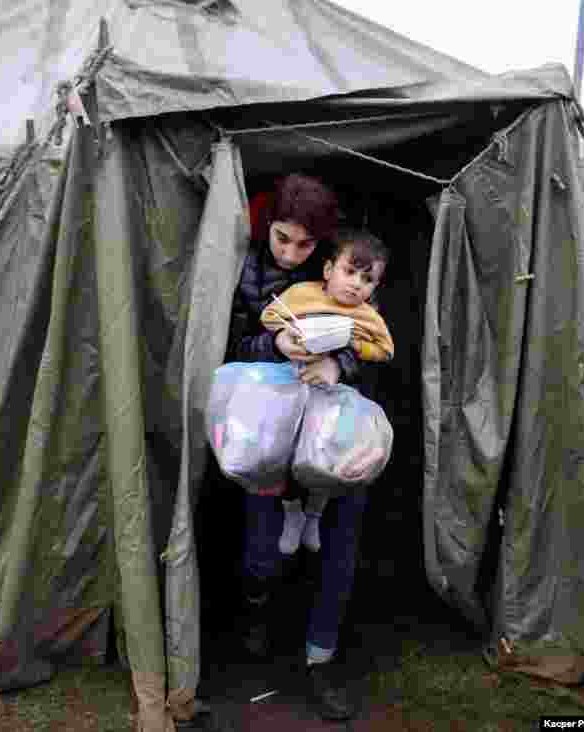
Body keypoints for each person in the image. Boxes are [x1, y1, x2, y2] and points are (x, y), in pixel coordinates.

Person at [223, 173, 383, 721]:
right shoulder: (240, 270)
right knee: (262, 548)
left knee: (338, 548)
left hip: (336, 435)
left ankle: (321, 660)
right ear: (268, 228)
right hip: (267, 433)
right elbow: (223, 344)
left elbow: (381, 342)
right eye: (282, 239)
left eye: (306, 245)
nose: (291, 253)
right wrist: (275, 344)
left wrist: (340, 362)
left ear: (326, 252)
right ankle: (257, 614)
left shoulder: (348, 278)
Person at [258, 228, 393, 555]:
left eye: (367, 279)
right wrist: (285, 337)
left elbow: (385, 350)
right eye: (349, 272)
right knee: (288, 457)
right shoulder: (303, 293)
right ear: (329, 270)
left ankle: (314, 514)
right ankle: (292, 512)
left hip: (333, 398)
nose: (356, 284)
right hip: (293, 388)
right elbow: (270, 315)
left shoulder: (367, 316)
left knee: (325, 459)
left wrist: (352, 345)